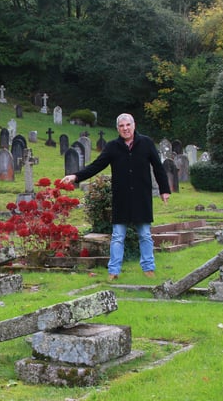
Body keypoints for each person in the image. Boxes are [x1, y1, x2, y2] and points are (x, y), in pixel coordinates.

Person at [61, 113, 170, 280]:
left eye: (128, 125)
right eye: (121, 126)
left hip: (141, 197)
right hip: (122, 198)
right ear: (118, 129)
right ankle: (114, 271)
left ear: (134, 125)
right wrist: (76, 176)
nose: (125, 128)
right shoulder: (113, 147)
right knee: (118, 236)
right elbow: (97, 166)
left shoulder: (146, 143)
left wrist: (164, 190)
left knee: (145, 235)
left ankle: (149, 269)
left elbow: (158, 167)